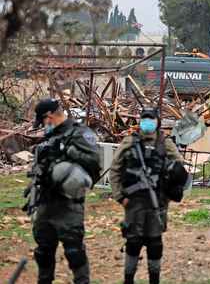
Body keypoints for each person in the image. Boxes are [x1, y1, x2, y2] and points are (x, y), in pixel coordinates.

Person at [26, 98, 101, 284]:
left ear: (49, 116)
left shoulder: (79, 133)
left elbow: (95, 161)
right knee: (43, 252)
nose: (44, 125)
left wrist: (67, 151)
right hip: (45, 203)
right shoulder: (49, 137)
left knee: (74, 252)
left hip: (68, 205)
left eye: (43, 121)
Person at [109, 107, 187, 284]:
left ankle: (154, 279)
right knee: (133, 242)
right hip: (134, 202)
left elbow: (179, 168)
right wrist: (120, 196)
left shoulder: (164, 143)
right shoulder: (130, 142)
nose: (147, 122)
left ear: (157, 121)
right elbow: (115, 169)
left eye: (151, 119)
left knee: (155, 243)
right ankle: (128, 279)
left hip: (157, 202)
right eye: (144, 118)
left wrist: (170, 190)